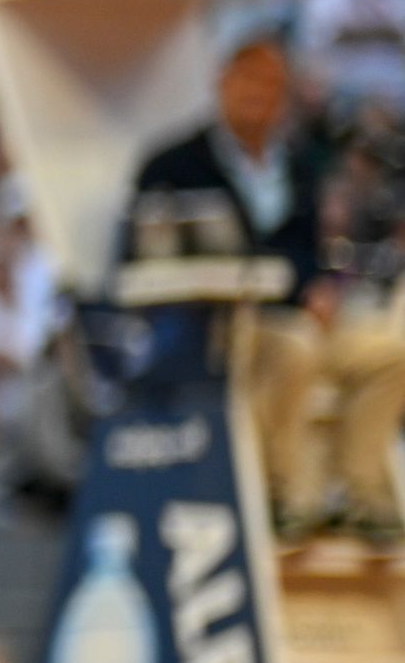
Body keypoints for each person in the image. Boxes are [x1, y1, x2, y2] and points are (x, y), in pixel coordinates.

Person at [120, 32, 405, 538]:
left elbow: (309, 251)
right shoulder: (172, 164)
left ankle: (364, 494)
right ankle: (286, 496)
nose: (259, 93)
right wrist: (291, 286)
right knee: (292, 349)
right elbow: (146, 258)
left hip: (302, 314)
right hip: (219, 330)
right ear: (222, 82)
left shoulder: (296, 162)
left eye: (272, 82)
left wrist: (320, 287)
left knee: (390, 352)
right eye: (249, 78)